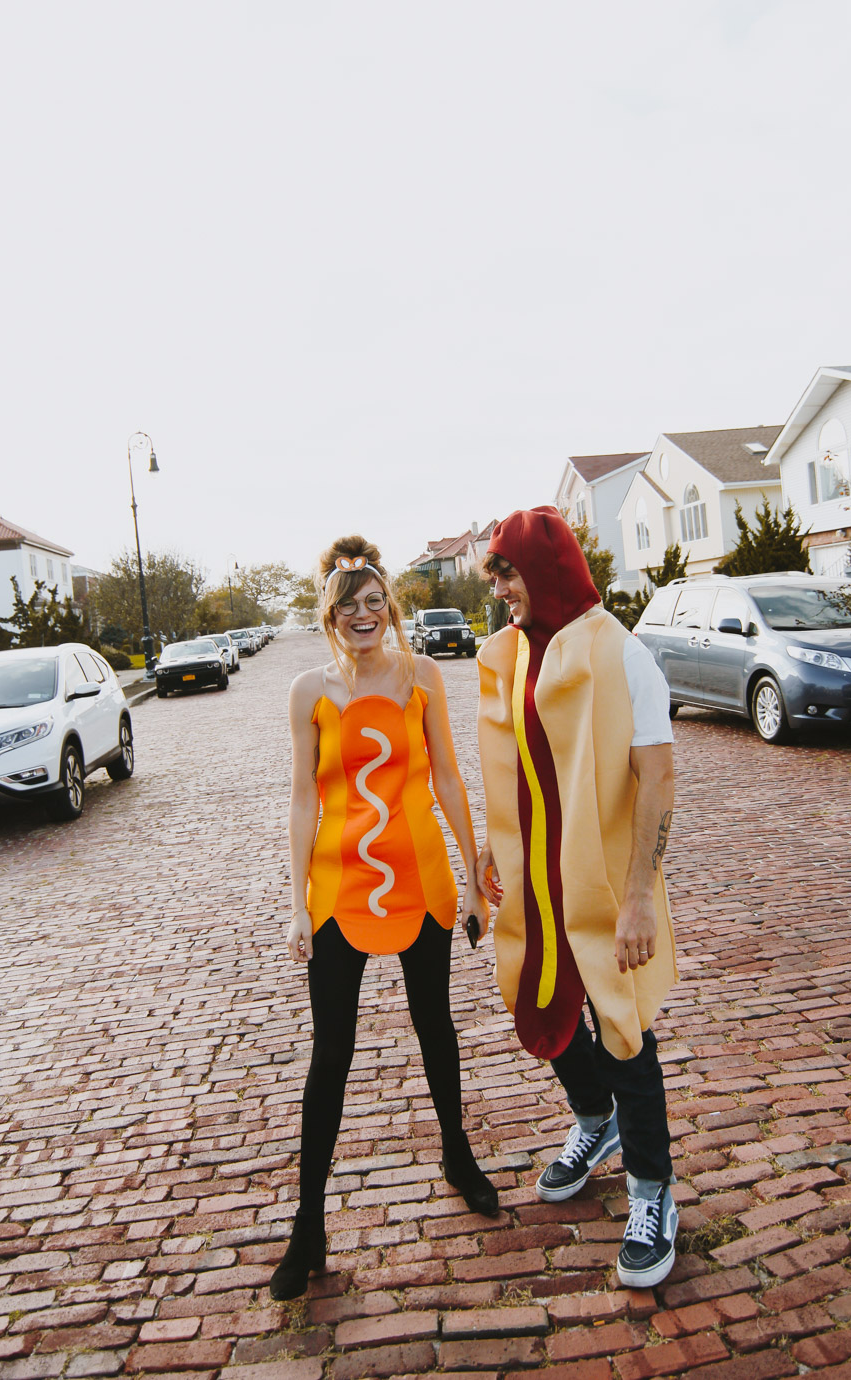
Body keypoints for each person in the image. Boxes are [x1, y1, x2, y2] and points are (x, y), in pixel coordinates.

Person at [272, 535, 498, 1302]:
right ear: (330, 614)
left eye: (375, 603)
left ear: (388, 609)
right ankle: (309, 1224)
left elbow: (446, 776)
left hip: (420, 879)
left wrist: (473, 878)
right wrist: (297, 901)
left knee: (435, 1024)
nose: (364, 615)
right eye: (349, 606)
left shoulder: (423, 677)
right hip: (341, 888)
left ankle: (457, 1154)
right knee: (330, 1053)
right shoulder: (308, 691)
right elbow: (304, 799)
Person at [475, 506, 679, 1288]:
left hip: (601, 880)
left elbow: (657, 779)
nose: (498, 591)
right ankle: (595, 1122)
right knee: (537, 1002)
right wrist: (493, 846)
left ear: (548, 568)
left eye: (507, 572)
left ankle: (652, 1188)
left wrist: (637, 899)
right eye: (494, 575)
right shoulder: (515, 654)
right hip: (535, 879)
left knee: (621, 1025)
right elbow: (517, 758)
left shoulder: (622, 655)